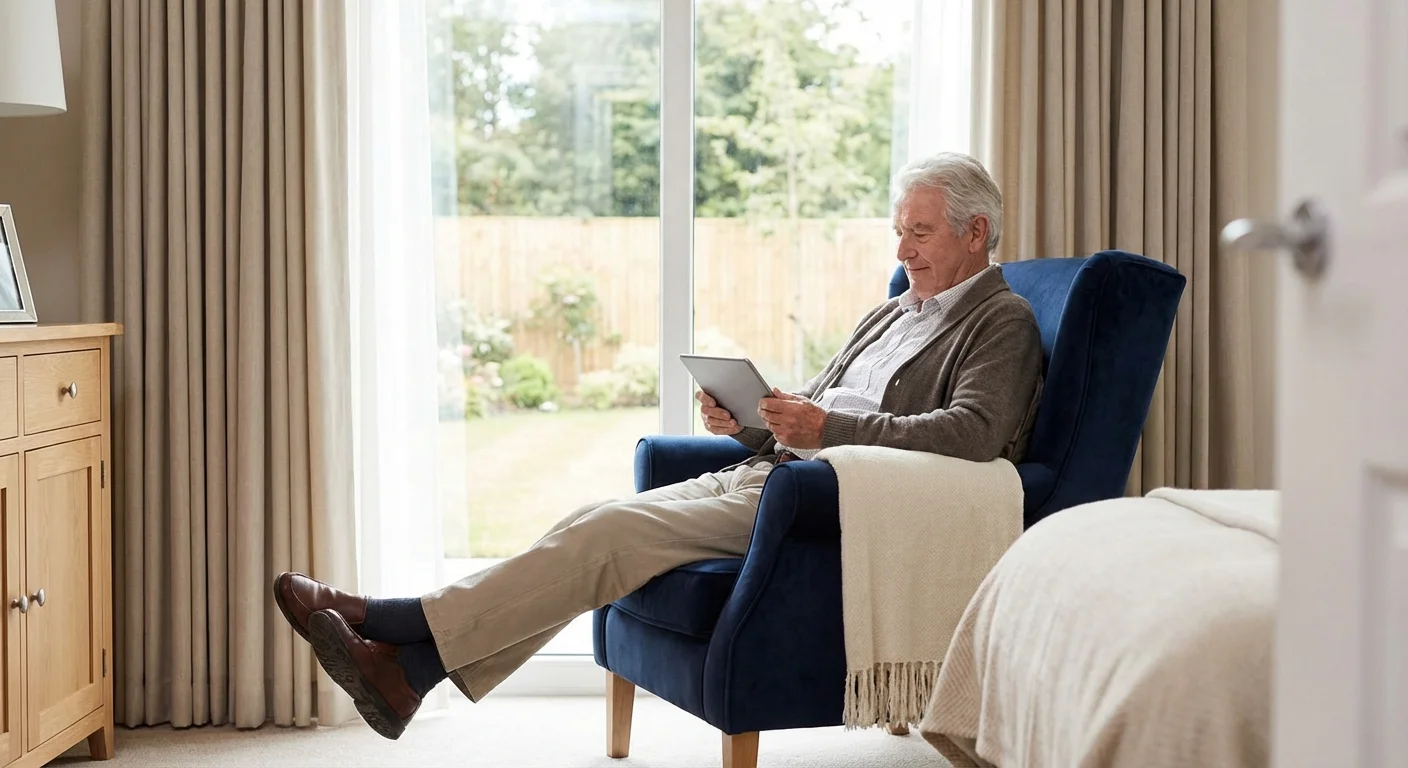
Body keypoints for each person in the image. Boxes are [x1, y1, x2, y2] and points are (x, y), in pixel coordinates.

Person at [273, 151, 1044, 740]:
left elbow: (973, 436)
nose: (904, 249)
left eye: (920, 232)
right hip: (777, 469)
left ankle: (392, 623)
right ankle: (408, 667)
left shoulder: (997, 322)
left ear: (976, 233)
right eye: (899, 231)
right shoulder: (895, 310)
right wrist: (748, 420)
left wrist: (825, 430)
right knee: (593, 518)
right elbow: (818, 406)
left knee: (610, 534)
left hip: (831, 498)